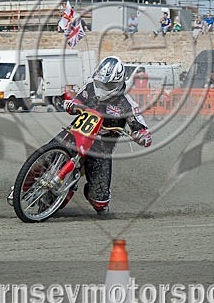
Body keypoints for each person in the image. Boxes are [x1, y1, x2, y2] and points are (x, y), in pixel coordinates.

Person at [61, 56, 152, 214]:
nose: (101, 87)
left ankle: (92, 194)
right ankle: (26, 182)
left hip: (101, 147)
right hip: (76, 132)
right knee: (48, 151)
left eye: (107, 84)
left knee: (100, 203)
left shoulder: (127, 104)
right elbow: (77, 100)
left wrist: (142, 135)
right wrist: (72, 104)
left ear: (117, 83)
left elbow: (141, 126)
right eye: (100, 83)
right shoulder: (90, 86)